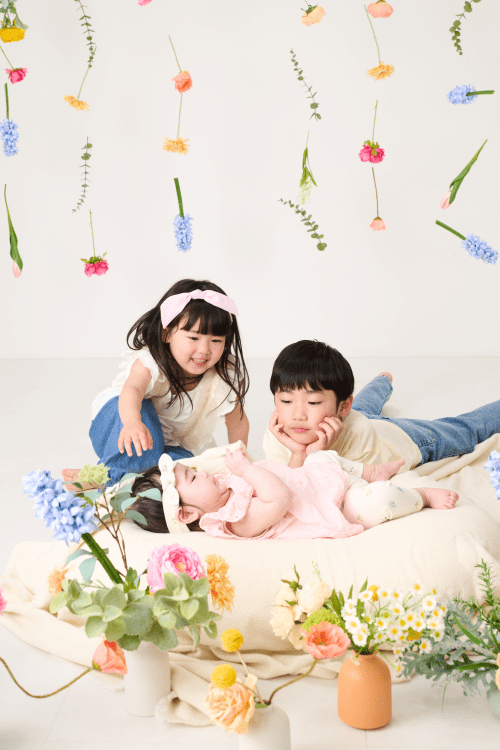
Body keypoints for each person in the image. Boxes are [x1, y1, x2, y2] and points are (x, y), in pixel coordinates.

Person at [63, 279, 249, 488]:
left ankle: (131, 483)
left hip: (169, 443)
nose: (204, 350)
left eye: (216, 341)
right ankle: (104, 480)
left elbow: (238, 422)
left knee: (187, 469)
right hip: (119, 421)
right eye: (193, 338)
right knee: (145, 438)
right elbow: (132, 390)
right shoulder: (151, 362)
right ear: (166, 333)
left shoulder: (225, 373)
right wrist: (132, 422)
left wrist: (239, 462)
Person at [263, 340, 500, 471]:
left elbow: (335, 491)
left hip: (404, 438)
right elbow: (288, 487)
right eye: (286, 401)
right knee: (362, 409)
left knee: (465, 430)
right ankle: (382, 380)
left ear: (343, 408)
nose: (297, 414)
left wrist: (317, 454)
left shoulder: (358, 433)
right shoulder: (278, 432)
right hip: (357, 416)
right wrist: (299, 453)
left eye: (313, 402)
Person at [128, 446, 458, 540]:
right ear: (187, 513)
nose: (202, 471)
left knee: (320, 455)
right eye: (192, 477)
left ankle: (370, 472)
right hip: (339, 507)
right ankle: (422, 495)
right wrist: (245, 469)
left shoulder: (223, 486)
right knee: (381, 499)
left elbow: (288, 476)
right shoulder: (235, 521)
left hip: (318, 481)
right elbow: (279, 498)